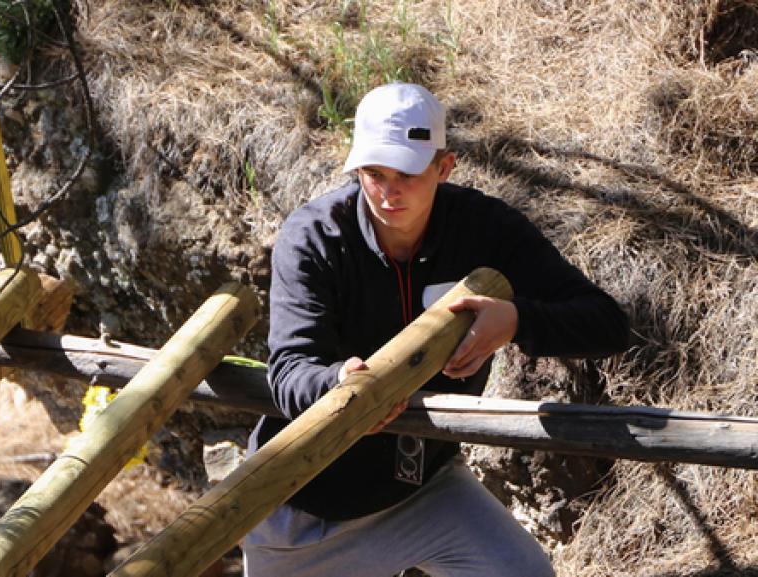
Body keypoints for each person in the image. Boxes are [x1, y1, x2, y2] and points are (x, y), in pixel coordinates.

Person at [242, 83, 630, 577]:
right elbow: (290, 372)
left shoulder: (486, 228)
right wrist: (341, 386)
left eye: (406, 173)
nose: (388, 193)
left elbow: (607, 323)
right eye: (374, 174)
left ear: (444, 167)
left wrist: (517, 320)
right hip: (304, 504)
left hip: (425, 489)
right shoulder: (314, 237)